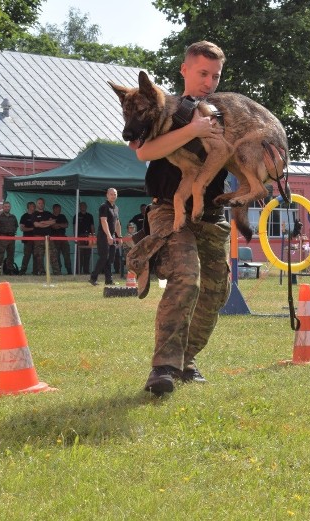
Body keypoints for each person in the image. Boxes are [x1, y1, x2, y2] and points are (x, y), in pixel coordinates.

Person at [131, 41, 232, 395]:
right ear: (184, 70)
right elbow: (143, 151)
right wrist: (192, 130)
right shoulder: (164, 110)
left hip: (212, 212)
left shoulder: (224, 112)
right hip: (167, 210)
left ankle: (186, 361)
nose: (209, 81)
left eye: (215, 75)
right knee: (186, 278)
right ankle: (163, 368)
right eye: (202, 73)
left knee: (216, 292)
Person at [89, 188, 121, 286]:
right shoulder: (104, 206)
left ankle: (109, 280)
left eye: (115, 194)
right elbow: (104, 221)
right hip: (103, 235)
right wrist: (108, 236)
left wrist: (119, 237)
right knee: (104, 257)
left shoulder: (116, 208)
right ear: (107, 195)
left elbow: (117, 223)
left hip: (111, 235)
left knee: (110, 259)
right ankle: (93, 278)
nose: (113, 196)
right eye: (111, 194)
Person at [32, 197, 55, 276]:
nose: (41, 205)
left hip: (48, 237)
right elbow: (36, 225)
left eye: (42, 203)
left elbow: (53, 222)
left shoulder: (48, 213)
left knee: (53, 255)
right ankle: (41, 272)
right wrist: (47, 224)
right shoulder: (34, 214)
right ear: (36, 204)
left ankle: (57, 272)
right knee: (39, 256)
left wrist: (44, 222)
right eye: (39, 203)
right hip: (38, 238)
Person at [0, 201, 19, 275]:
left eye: (8, 206)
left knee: (11, 255)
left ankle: (10, 270)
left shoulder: (13, 217)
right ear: (2, 207)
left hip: (12, 238)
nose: (7, 208)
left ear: (10, 207)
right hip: (2, 237)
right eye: (5, 206)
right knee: (0, 255)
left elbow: (16, 226)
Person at [49, 203, 71, 275]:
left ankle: (69, 271)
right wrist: (61, 225)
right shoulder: (50, 217)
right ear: (54, 209)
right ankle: (58, 272)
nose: (59, 210)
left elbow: (66, 225)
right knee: (56, 256)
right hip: (54, 238)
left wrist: (58, 225)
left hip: (63, 237)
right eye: (57, 209)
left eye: (60, 209)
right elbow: (53, 226)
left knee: (66, 255)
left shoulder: (62, 216)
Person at [74, 201, 96, 274]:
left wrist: (93, 236)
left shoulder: (90, 216)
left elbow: (92, 227)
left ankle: (86, 271)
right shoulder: (76, 216)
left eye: (84, 206)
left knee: (87, 254)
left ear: (86, 207)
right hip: (80, 236)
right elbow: (75, 227)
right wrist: (75, 237)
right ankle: (78, 271)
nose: (83, 207)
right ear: (79, 207)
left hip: (88, 236)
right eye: (81, 206)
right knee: (79, 255)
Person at [18, 201, 36, 275]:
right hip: (27, 239)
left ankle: (36, 272)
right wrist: (32, 229)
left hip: (36, 239)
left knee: (36, 256)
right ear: (28, 207)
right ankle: (22, 272)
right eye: (32, 206)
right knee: (27, 256)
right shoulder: (24, 216)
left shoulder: (36, 215)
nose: (33, 207)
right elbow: (22, 228)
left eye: (34, 206)